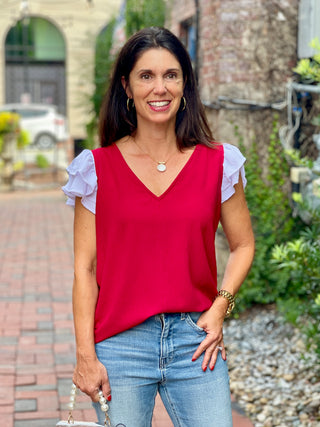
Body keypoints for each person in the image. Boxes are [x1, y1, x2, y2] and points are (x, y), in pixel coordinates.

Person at [62, 26, 255, 427]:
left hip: (194, 339)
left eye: (171, 75)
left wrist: (221, 307)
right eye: (146, 76)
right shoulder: (96, 169)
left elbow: (243, 245)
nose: (160, 87)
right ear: (127, 88)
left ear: (186, 84)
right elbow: (84, 268)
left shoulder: (219, 163)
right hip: (120, 345)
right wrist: (85, 355)